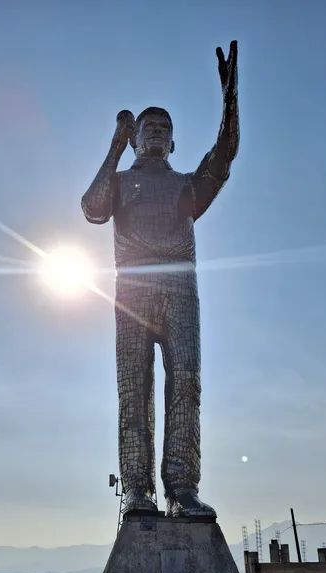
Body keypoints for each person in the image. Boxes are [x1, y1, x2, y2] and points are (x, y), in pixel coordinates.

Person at [82, 41, 239, 518]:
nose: (155, 132)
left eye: (164, 129)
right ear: (135, 139)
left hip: (179, 291)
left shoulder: (186, 186)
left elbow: (224, 157)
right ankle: (137, 489)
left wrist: (230, 103)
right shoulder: (121, 179)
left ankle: (182, 487)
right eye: (147, 127)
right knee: (133, 389)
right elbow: (92, 209)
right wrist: (112, 148)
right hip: (131, 288)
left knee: (185, 384)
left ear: (173, 143)